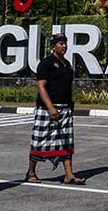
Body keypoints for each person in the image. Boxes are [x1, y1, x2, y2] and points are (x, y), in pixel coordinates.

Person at [26, 33, 85, 184]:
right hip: (47, 109)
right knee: (39, 140)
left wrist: (70, 103)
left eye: (65, 43)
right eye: (60, 43)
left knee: (66, 142)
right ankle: (31, 172)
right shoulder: (45, 64)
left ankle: (69, 175)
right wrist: (51, 107)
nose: (64, 46)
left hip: (65, 108)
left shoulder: (67, 64)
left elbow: (68, 86)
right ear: (53, 47)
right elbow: (41, 86)